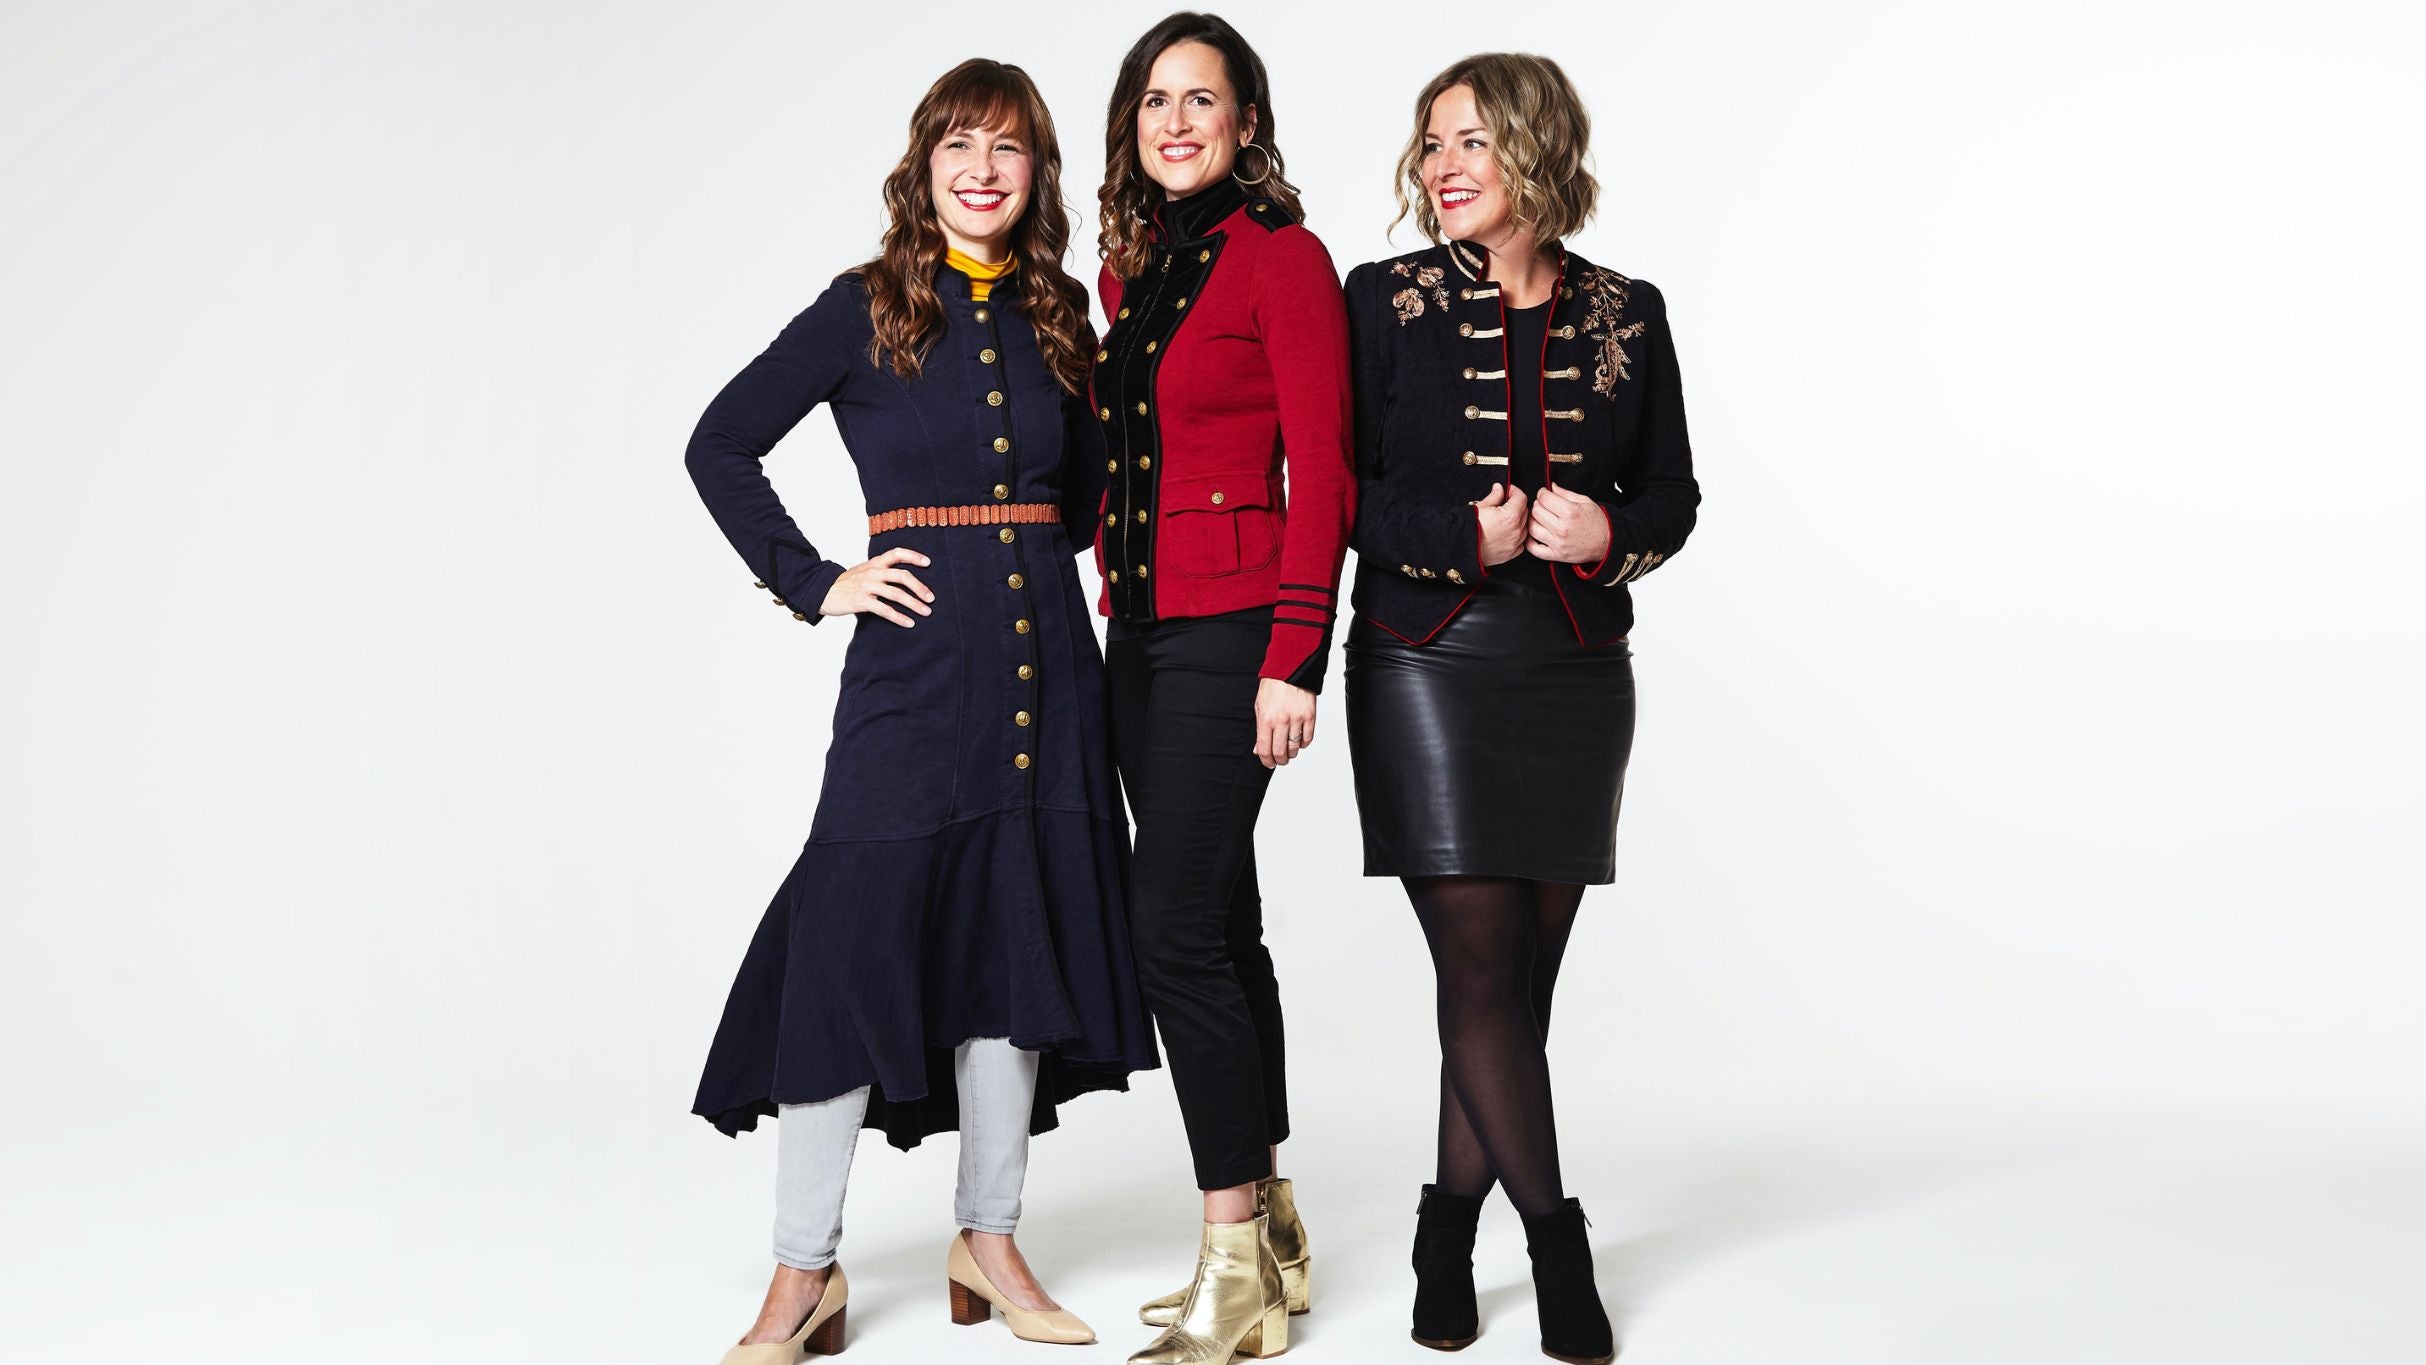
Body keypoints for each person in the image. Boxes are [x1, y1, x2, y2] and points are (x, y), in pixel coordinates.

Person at [682, 58, 1157, 1361]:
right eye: (959, 145)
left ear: (1036, 172)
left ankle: (988, 1241)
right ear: (924, 164)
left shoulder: (1062, 314)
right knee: (845, 949)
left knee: (1014, 947)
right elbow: (719, 442)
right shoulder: (864, 306)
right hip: (910, 677)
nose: (982, 170)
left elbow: (1086, 504)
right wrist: (815, 580)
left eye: (1008, 148)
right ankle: (803, 1270)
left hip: (1048, 678)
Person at [1340, 52, 1702, 1365]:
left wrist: (1609, 533)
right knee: (1482, 967)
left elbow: (1673, 493)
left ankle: (1445, 1226)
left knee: (1511, 987)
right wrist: (1462, 538)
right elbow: (1340, 489)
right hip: (1421, 657)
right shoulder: (1381, 299)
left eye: (1474, 142)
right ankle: (1557, 1243)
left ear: (1536, 152)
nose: (1444, 167)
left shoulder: (1627, 311)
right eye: (1433, 142)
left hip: (1574, 671)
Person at [1088, 12, 1355, 1364]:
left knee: (1172, 933)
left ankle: (1232, 1262)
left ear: (1246, 123)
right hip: (1137, 636)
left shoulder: (1283, 259)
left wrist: (1294, 654)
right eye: (1156, 100)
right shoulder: (1131, 270)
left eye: (1203, 100)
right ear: (1132, 126)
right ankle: (1281, 1229)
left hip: (1234, 630)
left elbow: (1326, 466)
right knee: (1224, 925)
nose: (1177, 122)